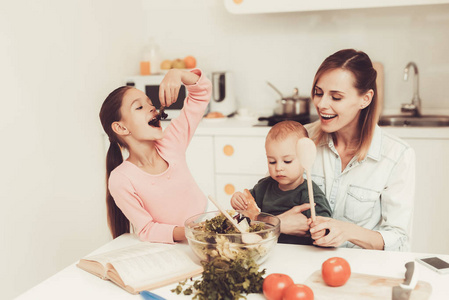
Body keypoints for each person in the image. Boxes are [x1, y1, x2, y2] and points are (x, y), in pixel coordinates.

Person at [305, 49, 415, 251]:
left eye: (336, 97)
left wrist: (348, 232)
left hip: (360, 268)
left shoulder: (396, 155)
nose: (321, 104)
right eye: (318, 93)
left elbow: (398, 240)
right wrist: (280, 222)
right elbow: (267, 205)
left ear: (365, 99)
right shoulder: (302, 139)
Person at [99, 68, 211, 244]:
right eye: (139, 106)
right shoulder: (121, 179)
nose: (152, 108)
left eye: (150, 103)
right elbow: (146, 229)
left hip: (209, 225)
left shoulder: (170, 143)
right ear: (121, 128)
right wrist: (192, 233)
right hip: (173, 244)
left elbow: (201, 93)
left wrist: (178, 74)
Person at [230, 121, 332, 245]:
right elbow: (248, 212)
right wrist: (238, 200)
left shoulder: (309, 193)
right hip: (267, 248)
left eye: (287, 161)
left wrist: (320, 230)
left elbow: (326, 224)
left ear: (304, 159)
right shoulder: (263, 187)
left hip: (301, 253)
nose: (278, 167)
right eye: (272, 162)